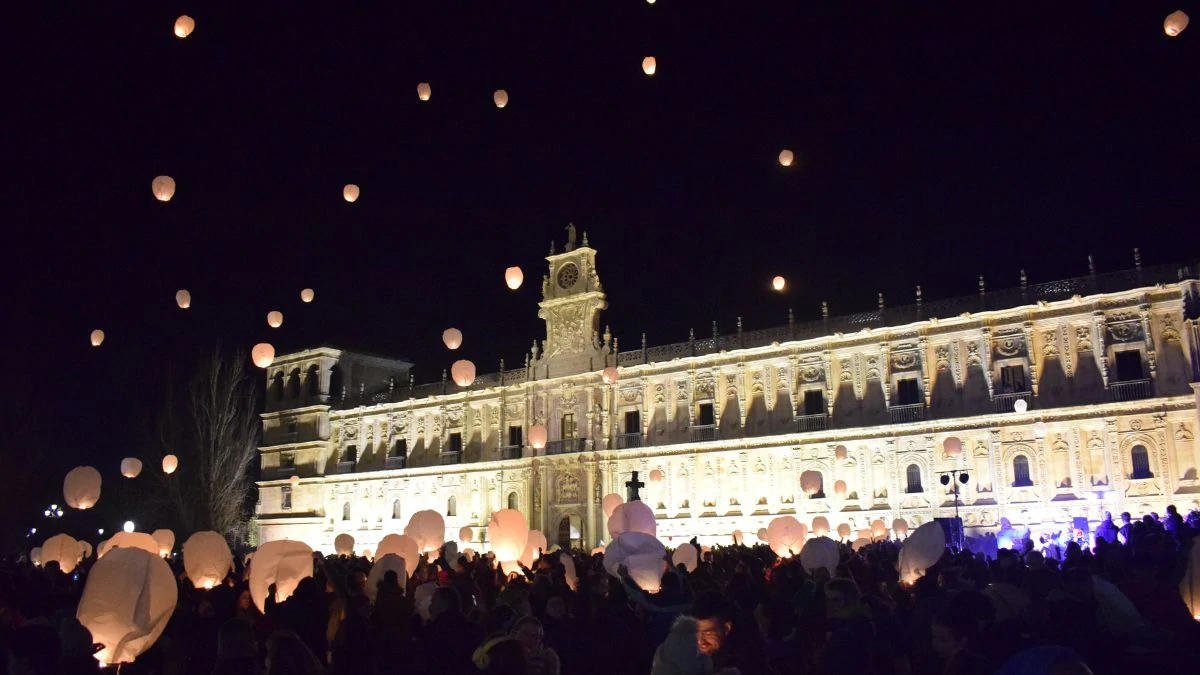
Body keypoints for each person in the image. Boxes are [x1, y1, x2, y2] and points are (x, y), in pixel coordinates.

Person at [691, 591, 767, 674]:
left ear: (726, 628)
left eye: (708, 633)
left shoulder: (747, 662)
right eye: (696, 632)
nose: (700, 641)